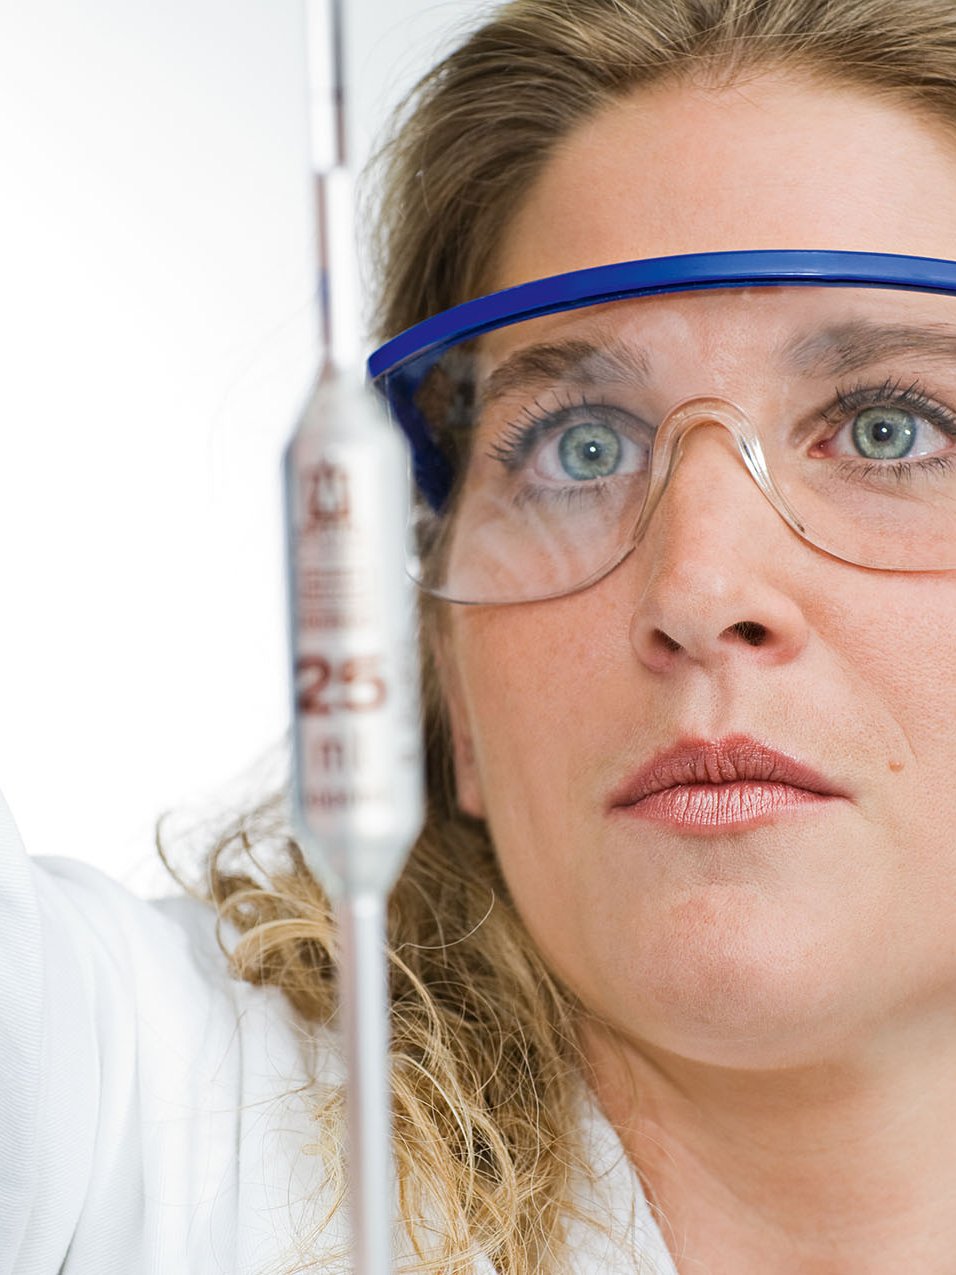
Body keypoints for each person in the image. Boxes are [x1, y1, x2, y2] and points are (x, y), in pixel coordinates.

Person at [7, 0, 956, 1271]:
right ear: (448, 678)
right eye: (581, 448)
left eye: (889, 426)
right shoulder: (138, 1113)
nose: (696, 583)